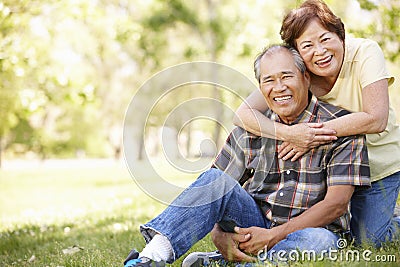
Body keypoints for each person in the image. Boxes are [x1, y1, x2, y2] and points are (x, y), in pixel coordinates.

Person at [123, 45, 370, 267]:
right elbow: (215, 192)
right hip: (254, 224)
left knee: (321, 242)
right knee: (215, 179)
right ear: (261, 88)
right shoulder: (251, 130)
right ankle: (150, 258)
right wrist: (219, 233)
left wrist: (274, 236)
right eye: (269, 80)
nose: (279, 87)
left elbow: (336, 205)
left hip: (312, 230)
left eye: (286, 76)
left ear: (306, 78)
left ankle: (228, 264)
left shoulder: (340, 126)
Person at [233, 0, 400, 247]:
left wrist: (310, 136)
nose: (319, 51)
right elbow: (243, 114)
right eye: (307, 45)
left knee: (369, 242)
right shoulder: (298, 75)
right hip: (333, 168)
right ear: (297, 53)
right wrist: (289, 134)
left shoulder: (366, 52)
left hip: (378, 164)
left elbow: (376, 118)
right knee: (332, 227)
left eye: (325, 39)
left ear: (340, 34)